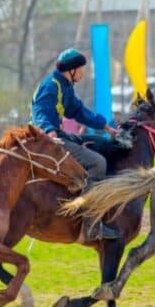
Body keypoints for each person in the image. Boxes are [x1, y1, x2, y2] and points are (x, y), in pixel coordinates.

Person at [30, 48, 119, 240]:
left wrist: (105, 126)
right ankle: (91, 225)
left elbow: (78, 111)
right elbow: (39, 112)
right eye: (81, 69)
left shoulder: (65, 87)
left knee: (101, 144)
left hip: (59, 135)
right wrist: (49, 131)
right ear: (71, 70)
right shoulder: (51, 86)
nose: (83, 72)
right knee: (97, 163)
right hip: (48, 140)